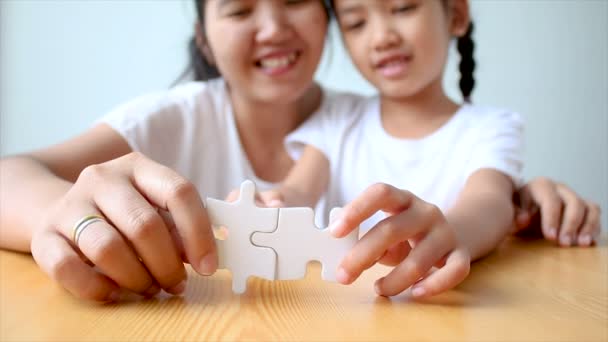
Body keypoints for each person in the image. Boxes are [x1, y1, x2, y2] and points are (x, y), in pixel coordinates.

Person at [0, 0, 599, 302]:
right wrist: (68, 216)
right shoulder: (175, 116)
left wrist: (511, 204)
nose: (271, 26)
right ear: (204, 33)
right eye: (238, 7)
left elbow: (476, 196)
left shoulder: (348, 112)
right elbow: (296, 188)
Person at [255, 0, 603, 298]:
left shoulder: (490, 128)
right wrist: (273, 203)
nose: (381, 37)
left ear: (455, 14)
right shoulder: (336, 118)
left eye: (404, 8)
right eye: (356, 23)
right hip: (343, 310)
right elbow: (298, 189)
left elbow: (491, 203)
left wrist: (448, 234)